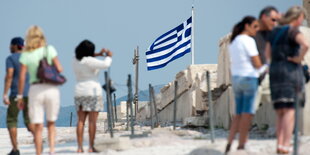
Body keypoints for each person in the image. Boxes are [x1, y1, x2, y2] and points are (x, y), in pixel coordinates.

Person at [265, 6, 309, 154]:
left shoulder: (275, 32)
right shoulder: (293, 31)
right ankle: (285, 144)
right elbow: (305, 44)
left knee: (280, 111)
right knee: (290, 110)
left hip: (275, 72)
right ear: (297, 18)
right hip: (290, 72)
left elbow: (267, 53)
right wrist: (298, 58)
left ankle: (279, 143)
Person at [17, 25, 63, 155]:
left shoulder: (26, 55)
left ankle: (38, 152)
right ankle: (52, 151)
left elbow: (21, 77)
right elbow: (60, 68)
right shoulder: (49, 50)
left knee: (38, 126)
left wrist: (20, 96)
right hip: (51, 88)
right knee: (51, 123)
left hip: (35, 89)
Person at [225, 16, 262, 154]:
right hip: (249, 78)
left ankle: (229, 142)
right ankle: (241, 144)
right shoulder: (248, 41)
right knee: (247, 114)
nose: (257, 30)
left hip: (236, 79)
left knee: (238, 114)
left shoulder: (233, 42)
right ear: (247, 26)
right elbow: (257, 63)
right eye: (255, 26)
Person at [73, 40, 112, 153]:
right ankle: (91, 146)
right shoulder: (91, 61)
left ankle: (79, 147)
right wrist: (108, 56)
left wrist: (98, 54)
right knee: (92, 122)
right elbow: (105, 64)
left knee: (80, 121)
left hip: (79, 92)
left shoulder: (75, 60)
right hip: (93, 92)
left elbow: (85, 57)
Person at [3, 37, 34, 155]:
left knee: (12, 121)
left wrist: (5, 94)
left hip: (16, 94)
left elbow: (9, 75)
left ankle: (15, 150)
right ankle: (39, 143)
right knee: (29, 121)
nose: (9, 47)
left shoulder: (11, 58)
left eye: (11, 45)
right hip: (30, 94)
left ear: (15, 46)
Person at [253, 6, 280, 108]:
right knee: (245, 115)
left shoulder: (272, 34)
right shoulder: (250, 32)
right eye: (273, 20)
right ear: (264, 17)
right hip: (252, 80)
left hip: (267, 79)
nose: (275, 23)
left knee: (283, 107)